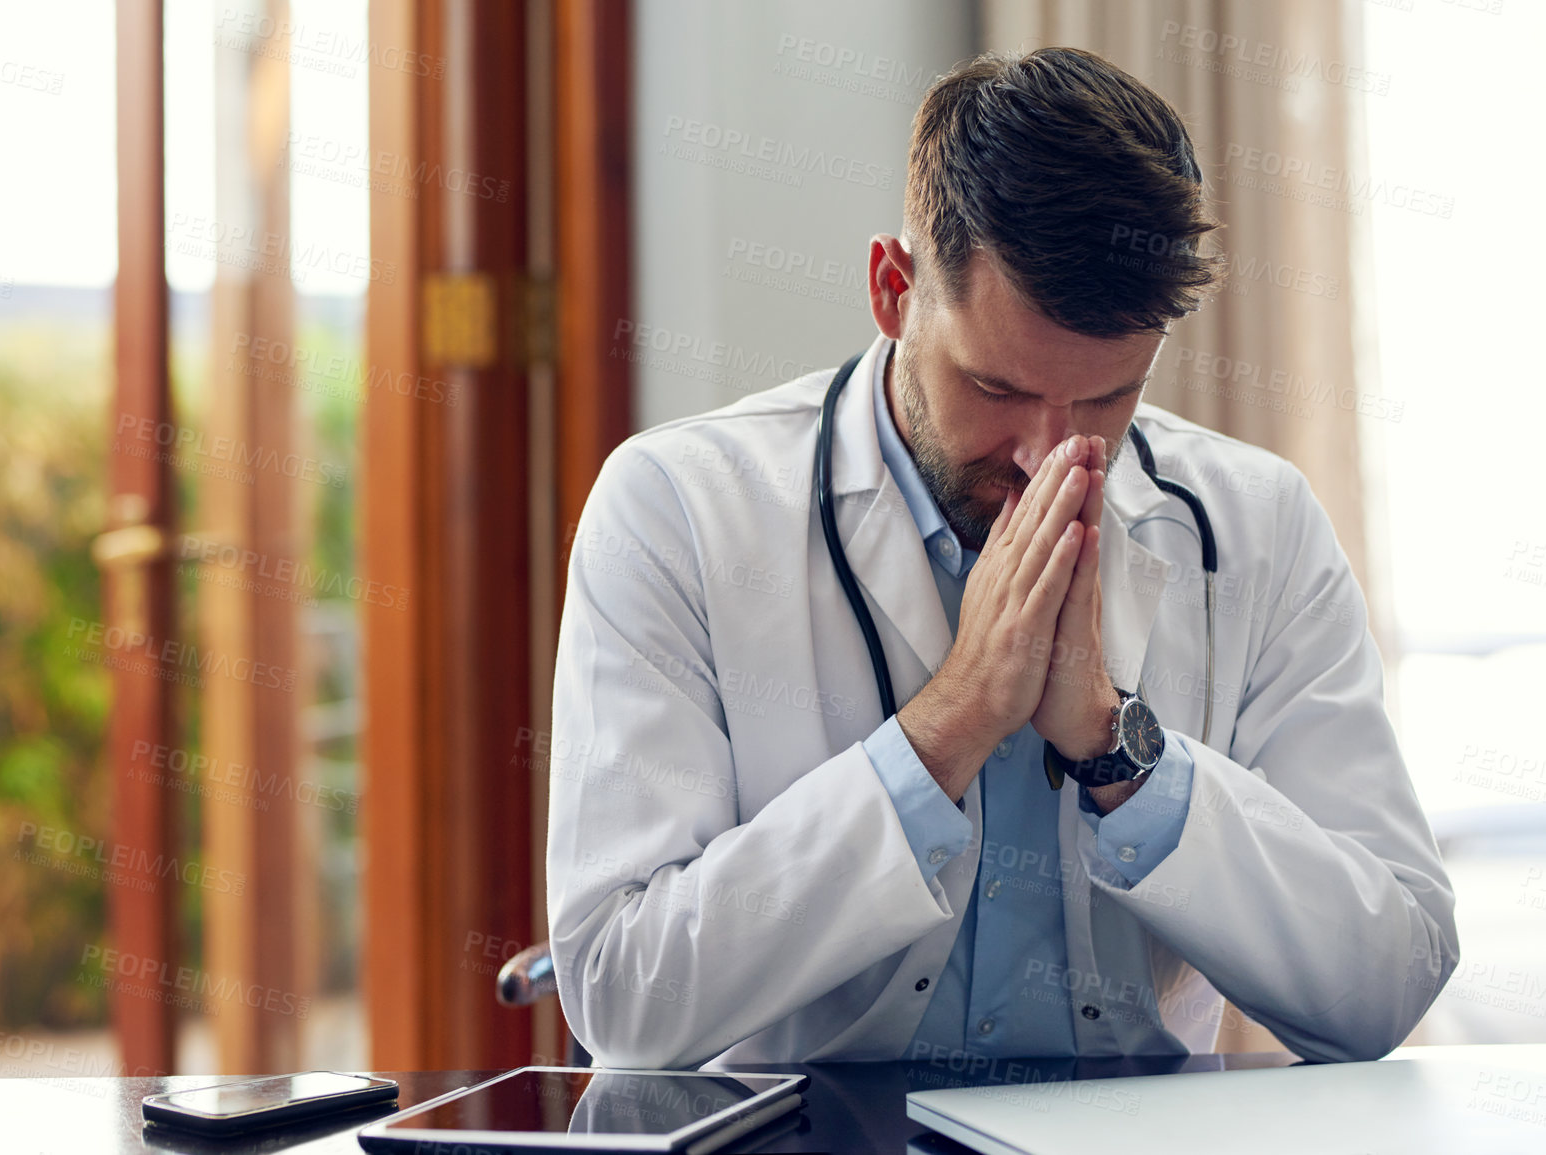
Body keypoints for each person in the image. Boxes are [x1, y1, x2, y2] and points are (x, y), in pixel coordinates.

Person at [545, 46, 1456, 1069]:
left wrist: (1118, 752)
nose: (1053, 456)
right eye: (999, 390)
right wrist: (953, 723)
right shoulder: (673, 510)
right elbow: (622, 998)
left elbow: (1389, 977)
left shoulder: (1261, 526)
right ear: (894, 290)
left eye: (1108, 400)